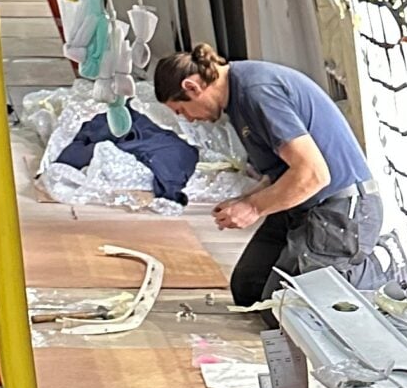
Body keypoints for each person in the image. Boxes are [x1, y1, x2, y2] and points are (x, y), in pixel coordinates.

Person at [155, 42, 386, 305]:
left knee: (287, 308)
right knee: (250, 291)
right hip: (304, 208)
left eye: (182, 110)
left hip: (340, 212)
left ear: (191, 88)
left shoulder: (257, 92)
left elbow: (313, 174)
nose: (189, 119)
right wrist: (245, 200)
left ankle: (373, 280)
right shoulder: (238, 98)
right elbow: (280, 171)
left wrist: (253, 207)